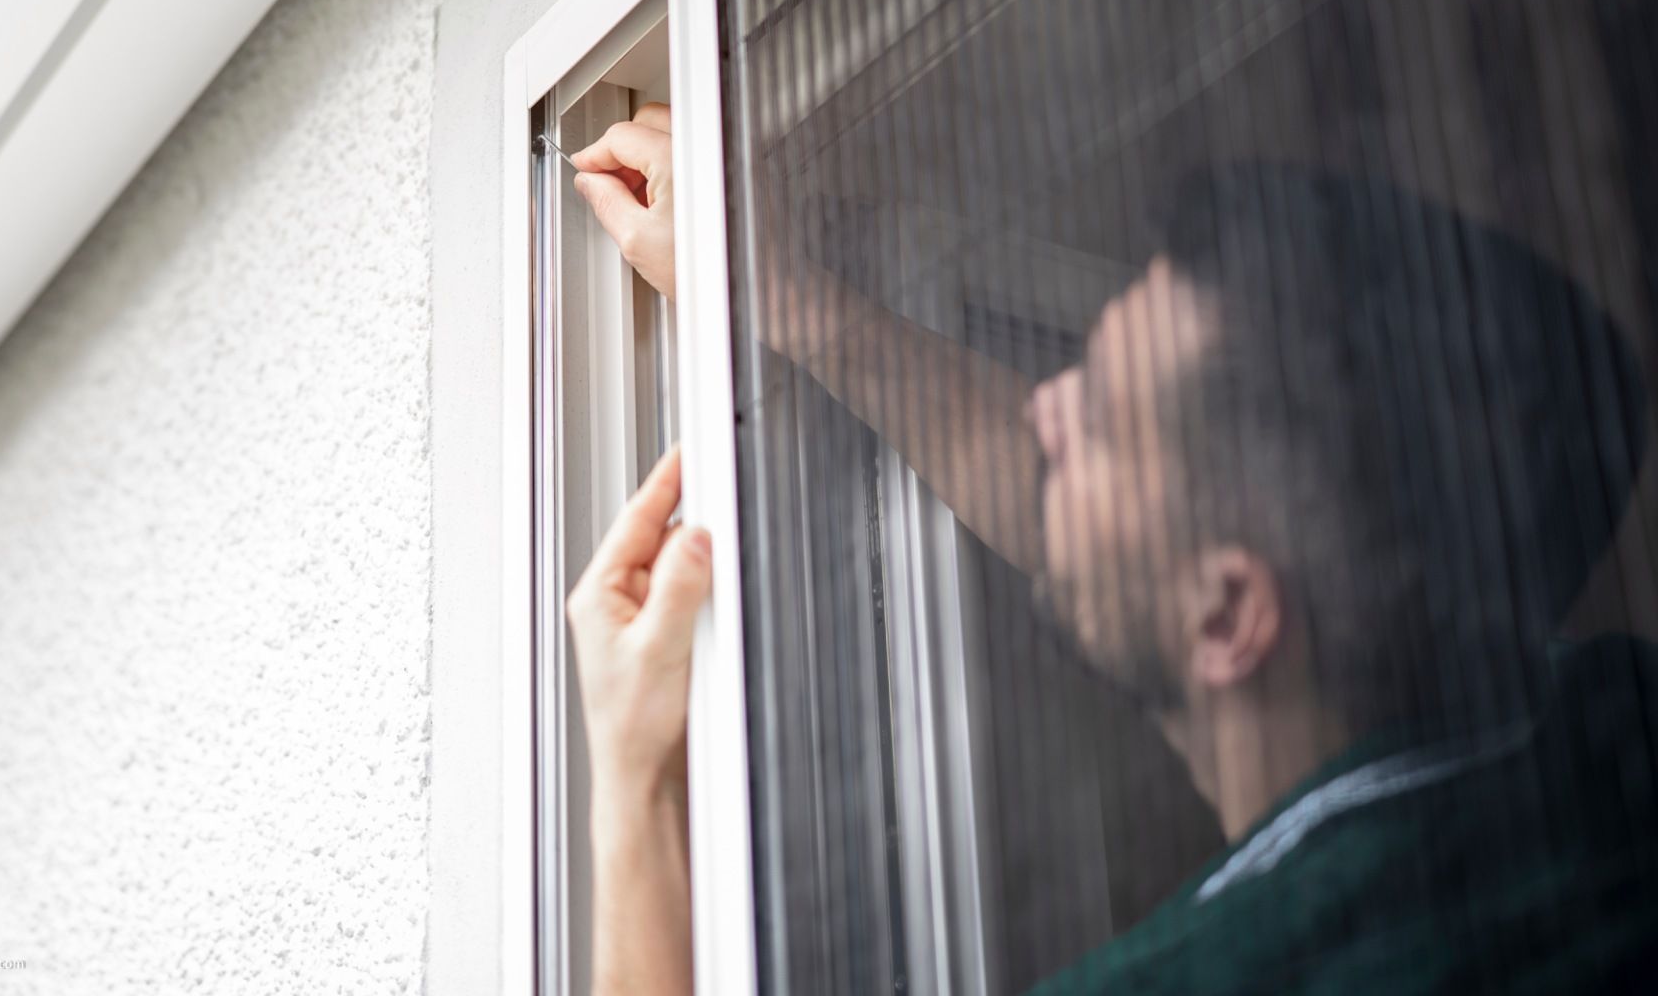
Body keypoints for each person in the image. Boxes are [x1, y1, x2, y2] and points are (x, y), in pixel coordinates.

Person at [565, 106, 1658, 993]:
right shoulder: (1603, 733)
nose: (1042, 411)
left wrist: (632, 771)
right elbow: (1089, 517)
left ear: (1228, 615)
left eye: (1097, 425)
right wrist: (792, 301)